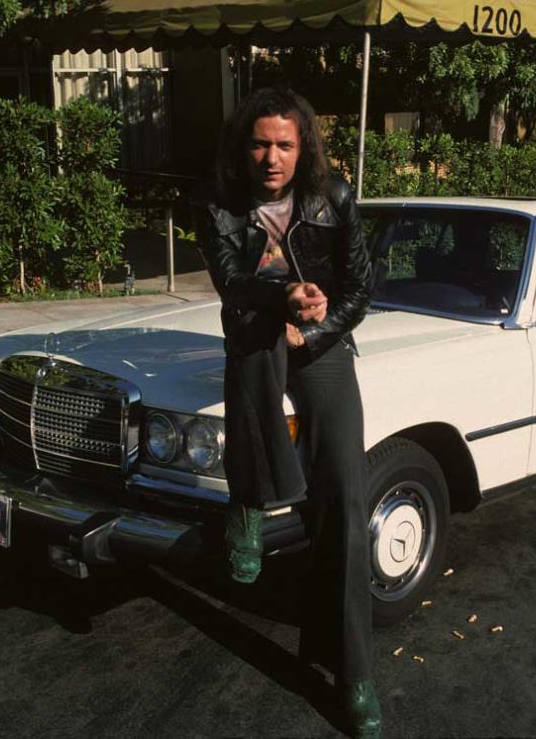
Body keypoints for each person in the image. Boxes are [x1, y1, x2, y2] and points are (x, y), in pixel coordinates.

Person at [193, 87, 379, 739]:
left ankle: (354, 673)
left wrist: (319, 328)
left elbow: (360, 290)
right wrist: (285, 296)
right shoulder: (218, 202)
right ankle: (252, 497)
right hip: (257, 333)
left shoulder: (336, 199)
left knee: (348, 506)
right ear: (244, 147)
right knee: (252, 344)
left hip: (320, 343)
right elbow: (228, 280)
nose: (271, 157)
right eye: (259, 143)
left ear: (304, 148)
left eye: (284, 144)